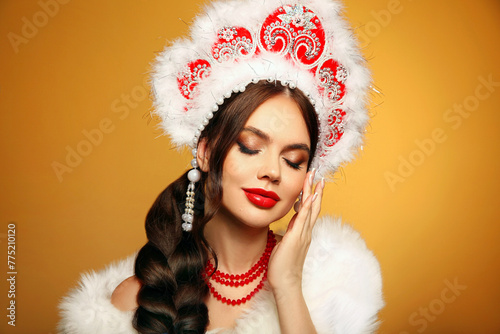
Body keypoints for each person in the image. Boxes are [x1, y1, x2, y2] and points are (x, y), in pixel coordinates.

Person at [58, 0, 384, 333]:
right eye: (250, 147)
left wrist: (287, 285)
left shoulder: (335, 286)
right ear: (205, 151)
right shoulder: (135, 303)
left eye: (293, 160)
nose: (273, 171)